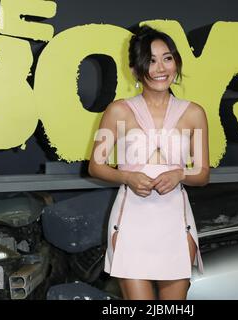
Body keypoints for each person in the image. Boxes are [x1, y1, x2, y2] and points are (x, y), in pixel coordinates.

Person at [88, 25, 209, 300]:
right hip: (132, 221)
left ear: (176, 62)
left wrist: (180, 174)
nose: (160, 68)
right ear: (135, 69)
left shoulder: (194, 114)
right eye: (150, 60)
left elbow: (202, 174)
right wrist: (127, 178)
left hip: (175, 223)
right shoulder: (118, 110)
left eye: (167, 58)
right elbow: (96, 165)